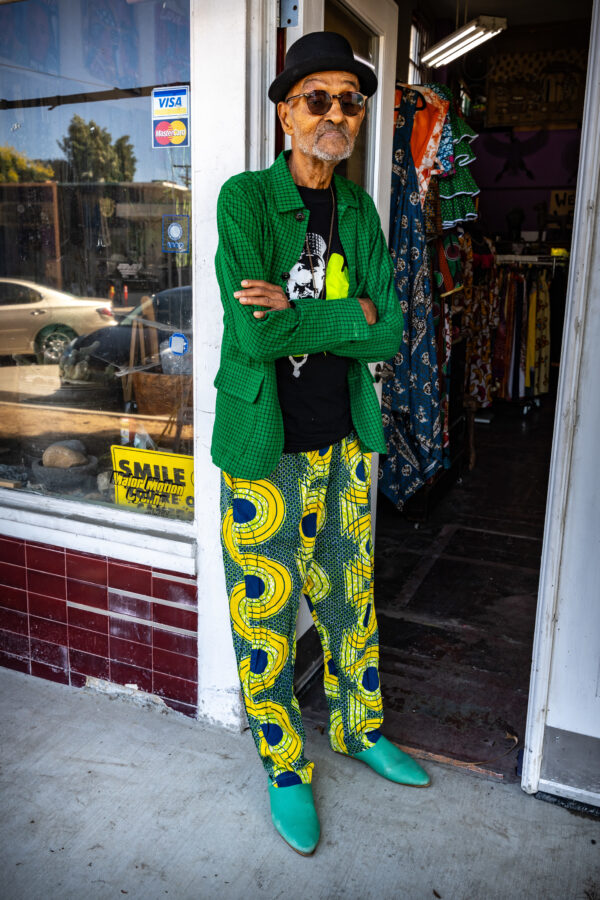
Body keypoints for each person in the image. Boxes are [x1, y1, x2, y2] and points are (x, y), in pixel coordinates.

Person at [213, 31, 431, 856]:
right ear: (285, 113)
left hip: (341, 442)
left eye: (350, 99)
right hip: (263, 447)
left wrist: (335, 322)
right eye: (318, 98)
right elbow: (256, 334)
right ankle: (283, 764)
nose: (336, 113)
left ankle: (357, 728)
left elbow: (394, 332)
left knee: (348, 599)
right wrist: (352, 317)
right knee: (266, 616)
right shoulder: (244, 200)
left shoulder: (360, 209)